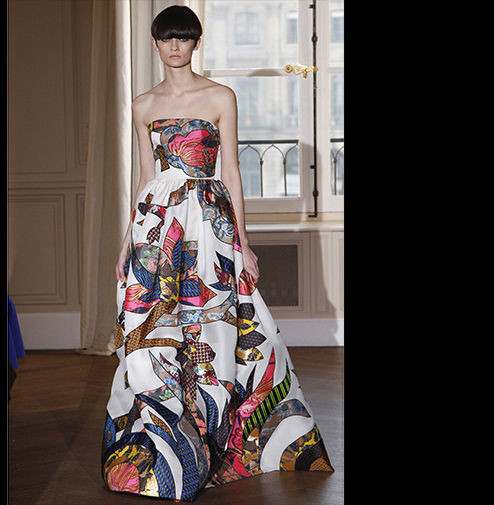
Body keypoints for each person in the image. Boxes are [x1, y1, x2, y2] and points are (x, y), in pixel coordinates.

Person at [101, 6, 333, 501]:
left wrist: (243, 244)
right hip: (157, 228)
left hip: (208, 224)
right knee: (151, 331)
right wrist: (127, 243)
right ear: (155, 43)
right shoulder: (142, 105)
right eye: (167, 38)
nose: (175, 47)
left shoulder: (220, 96)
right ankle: (160, 450)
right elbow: (145, 179)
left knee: (213, 326)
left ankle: (215, 442)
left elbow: (230, 173)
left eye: (184, 38)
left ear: (196, 42)